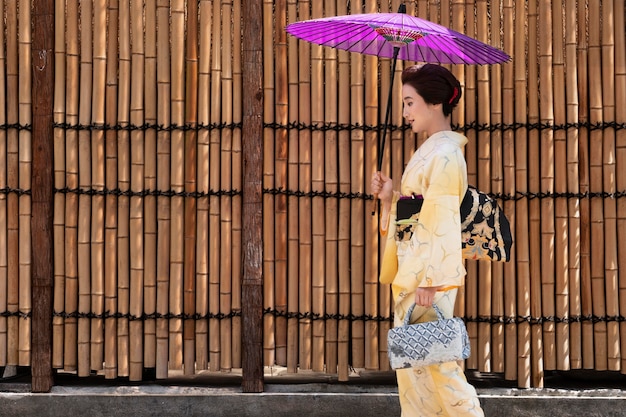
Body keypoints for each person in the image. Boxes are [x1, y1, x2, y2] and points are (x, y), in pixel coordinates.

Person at [371, 64, 484, 417]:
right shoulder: (432, 152)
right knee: (416, 372)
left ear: (434, 103)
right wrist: (389, 198)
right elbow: (416, 217)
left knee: (440, 366)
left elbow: (444, 221)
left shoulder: (447, 155)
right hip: (415, 272)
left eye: (409, 103)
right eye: (402, 104)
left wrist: (433, 282)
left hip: (428, 278)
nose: (405, 113)